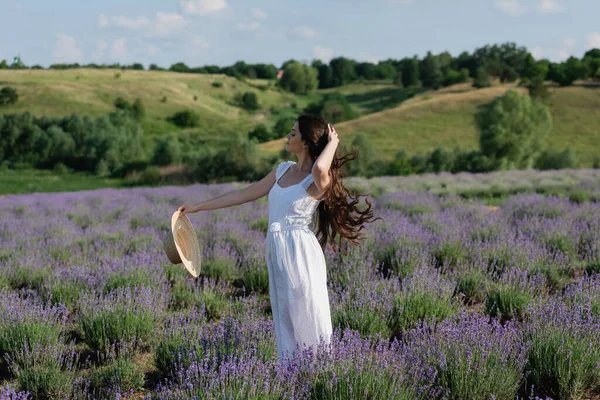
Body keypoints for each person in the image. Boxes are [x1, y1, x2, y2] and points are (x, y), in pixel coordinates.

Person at [177, 113, 381, 363]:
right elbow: (244, 194)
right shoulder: (283, 170)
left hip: (300, 252)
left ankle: (321, 370)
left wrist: (333, 142)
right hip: (277, 249)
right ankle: (291, 372)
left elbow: (319, 166)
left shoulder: (318, 179)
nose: (287, 136)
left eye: (293, 133)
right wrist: (198, 207)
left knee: (307, 310)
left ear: (306, 142)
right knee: (284, 313)